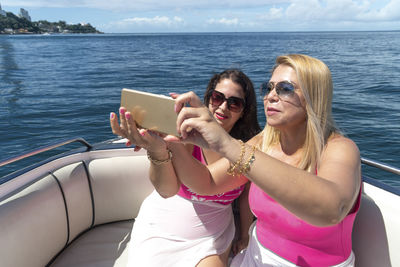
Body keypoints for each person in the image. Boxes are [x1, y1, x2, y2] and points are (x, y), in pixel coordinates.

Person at [168, 54, 362, 267]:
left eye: (285, 89)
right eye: (269, 88)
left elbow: (331, 209)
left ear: (313, 97)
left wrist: (226, 145)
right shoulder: (262, 143)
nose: (271, 96)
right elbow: (207, 183)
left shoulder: (340, 148)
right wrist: (170, 144)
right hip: (257, 256)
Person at [110, 69, 261, 266]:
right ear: (208, 99)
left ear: (243, 111)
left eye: (234, 103)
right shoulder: (184, 135)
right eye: (217, 98)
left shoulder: (244, 149)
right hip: (164, 224)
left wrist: (244, 235)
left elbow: (245, 196)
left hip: (213, 234)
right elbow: (166, 190)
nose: (223, 107)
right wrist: (158, 151)